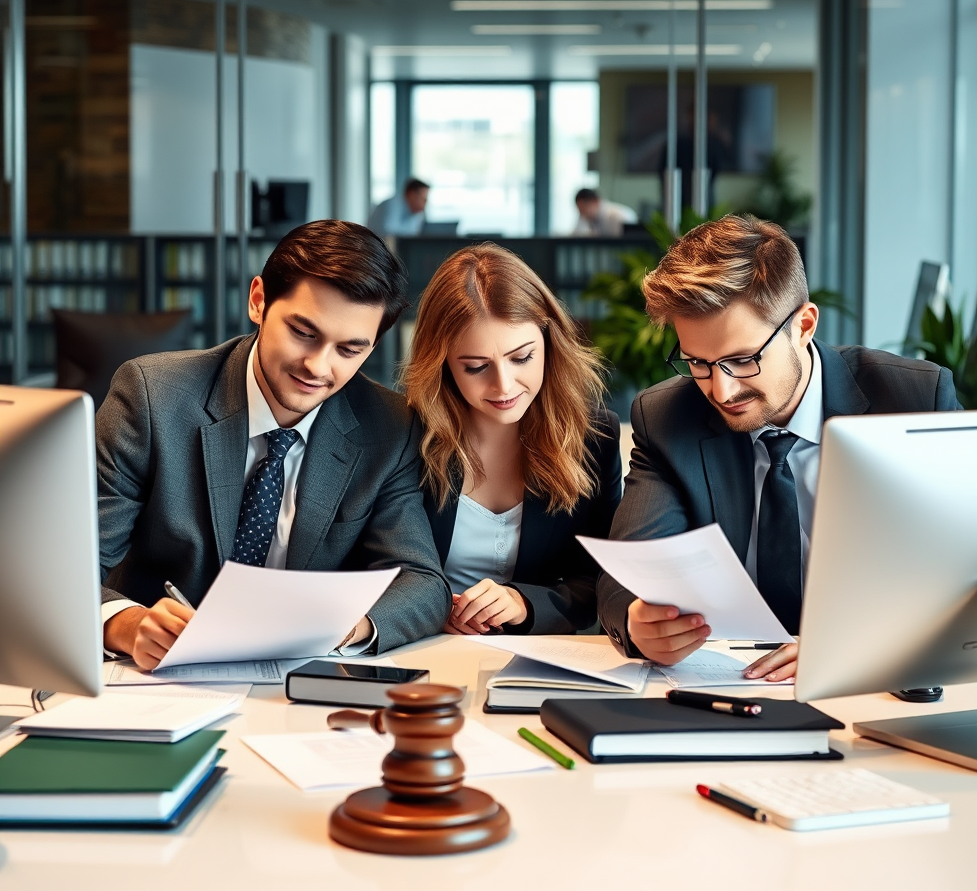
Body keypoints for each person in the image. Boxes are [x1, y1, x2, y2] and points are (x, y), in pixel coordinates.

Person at [598, 214, 960, 681]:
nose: (722, 391)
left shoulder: (914, 402)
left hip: (871, 682)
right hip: (722, 681)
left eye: (742, 360)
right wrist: (637, 621)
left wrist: (855, 641)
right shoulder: (669, 417)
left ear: (804, 325)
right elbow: (626, 570)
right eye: (697, 363)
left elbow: (963, 572)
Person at [98, 220, 450, 670]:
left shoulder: (389, 425)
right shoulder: (152, 397)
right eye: (303, 332)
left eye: (349, 350)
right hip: (156, 676)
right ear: (259, 300)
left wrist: (342, 625)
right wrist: (125, 624)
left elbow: (422, 581)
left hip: (294, 682)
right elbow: (65, 571)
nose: (317, 367)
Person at [402, 244, 622, 635]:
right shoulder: (404, 436)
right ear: (443, 365)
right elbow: (374, 563)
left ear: (550, 344)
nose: (503, 386)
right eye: (475, 367)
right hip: (419, 649)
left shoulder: (594, 438)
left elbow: (601, 580)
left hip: (534, 659)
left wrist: (524, 603)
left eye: (521, 358)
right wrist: (434, 608)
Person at [572, 188, 637, 237]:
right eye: (580, 210)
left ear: (595, 202)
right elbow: (575, 235)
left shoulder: (617, 216)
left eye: (584, 208)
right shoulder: (586, 216)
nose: (582, 214)